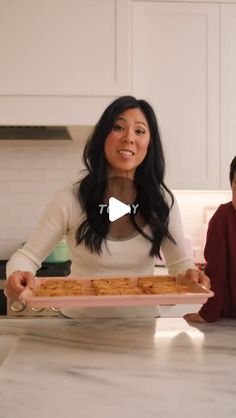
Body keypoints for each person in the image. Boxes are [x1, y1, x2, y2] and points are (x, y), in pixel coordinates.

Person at [5, 95, 210, 318]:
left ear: (150, 144)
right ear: (103, 136)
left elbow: (181, 265)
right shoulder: (70, 199)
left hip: (142, 329)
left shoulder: (162, 202)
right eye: (118, 127)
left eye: (139, 131)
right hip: (77, 328)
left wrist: (192, 275)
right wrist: (17, 273)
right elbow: (28, 256)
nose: (129, 138)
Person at [184, 156, 236, 323]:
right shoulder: (223, 217)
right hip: (230, 320)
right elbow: (216, 272)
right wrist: (208, 313)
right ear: (231, 185)